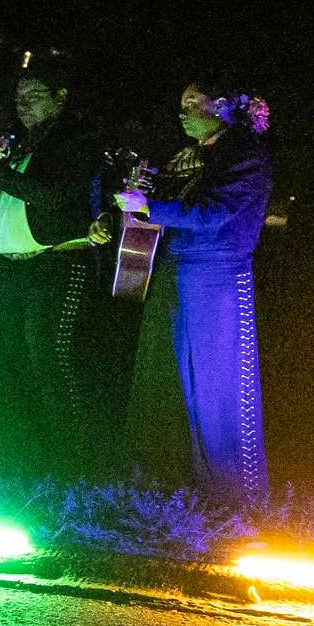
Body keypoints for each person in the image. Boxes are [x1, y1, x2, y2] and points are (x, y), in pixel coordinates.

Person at [108, 81, 273, 511]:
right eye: (180, 104)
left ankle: (242, 500)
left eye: (190, 104)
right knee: (181, 385)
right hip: (180, 270)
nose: (180, 113)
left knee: (220, 389)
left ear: (220, 106)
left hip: (218, 273)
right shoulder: (194, 154)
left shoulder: (244, 155)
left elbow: (216, 211)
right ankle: (196, 489)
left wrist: (151, 208)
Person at [0, 57, 106, 473]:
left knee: (51, 363)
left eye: (33, 96)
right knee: (17, 364)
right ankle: (38, 459)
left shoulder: (76, 138)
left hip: (53, 265)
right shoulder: (20, 140)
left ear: (61, 98)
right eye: (17, 97)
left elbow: (52, 196)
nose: (22, 105)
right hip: (11, 270)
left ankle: (77, 462)